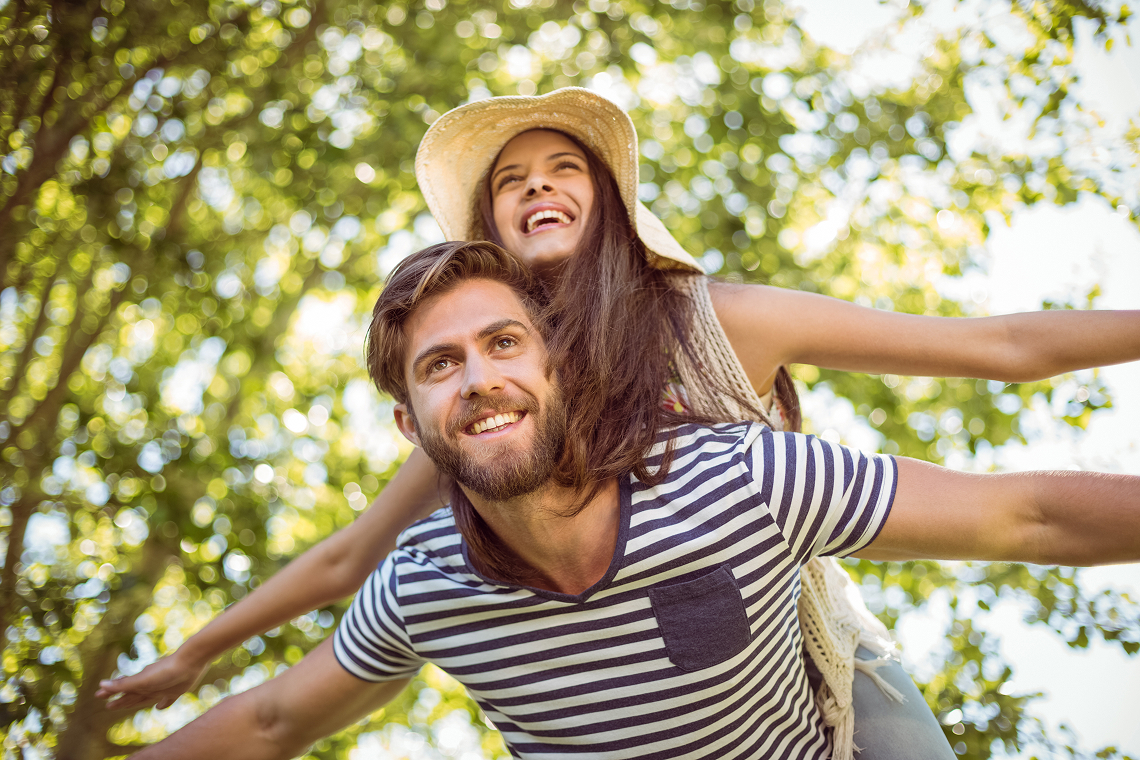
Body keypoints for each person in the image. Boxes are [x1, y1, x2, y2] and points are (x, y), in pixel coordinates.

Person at [101, 88, 1140, 756]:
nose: (537, 187)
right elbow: (349, 563)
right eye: (511, 180)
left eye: (564, 170)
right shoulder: (492, 404)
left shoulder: (712, 317)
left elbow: (998, 353)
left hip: (796, 641)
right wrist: (195, 652)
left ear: (606, 200)